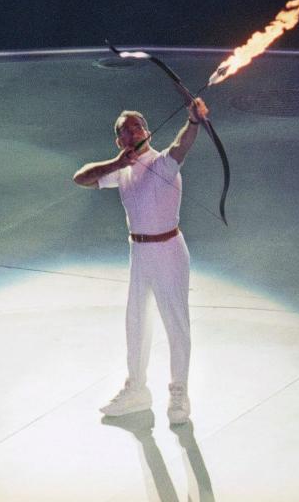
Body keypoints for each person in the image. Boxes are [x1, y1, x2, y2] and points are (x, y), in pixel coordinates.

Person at [72, 96, 210, 424]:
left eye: (137, 127)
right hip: (139, 253)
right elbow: (82, 177)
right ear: (119, 141)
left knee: (175, 323)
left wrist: (193, 121)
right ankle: (137, 389)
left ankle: (179, 393)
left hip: (169, 251)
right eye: (125, 131)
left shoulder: (163, 163)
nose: (132, 133)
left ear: (147, 132)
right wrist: (118, 163)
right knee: (136, 322)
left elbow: (181, 145)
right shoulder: (123, 171)